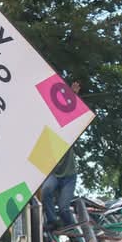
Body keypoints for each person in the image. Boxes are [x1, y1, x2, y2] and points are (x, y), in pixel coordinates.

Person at [41, 80, 82, 230]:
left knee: (64, 208)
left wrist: (72, 96)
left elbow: (69, 116)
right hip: (53, 174)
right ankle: (52, 220)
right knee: (46, 190)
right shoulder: (44, 139)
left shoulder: (66, 135)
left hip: (69, 176)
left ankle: (72, 232)